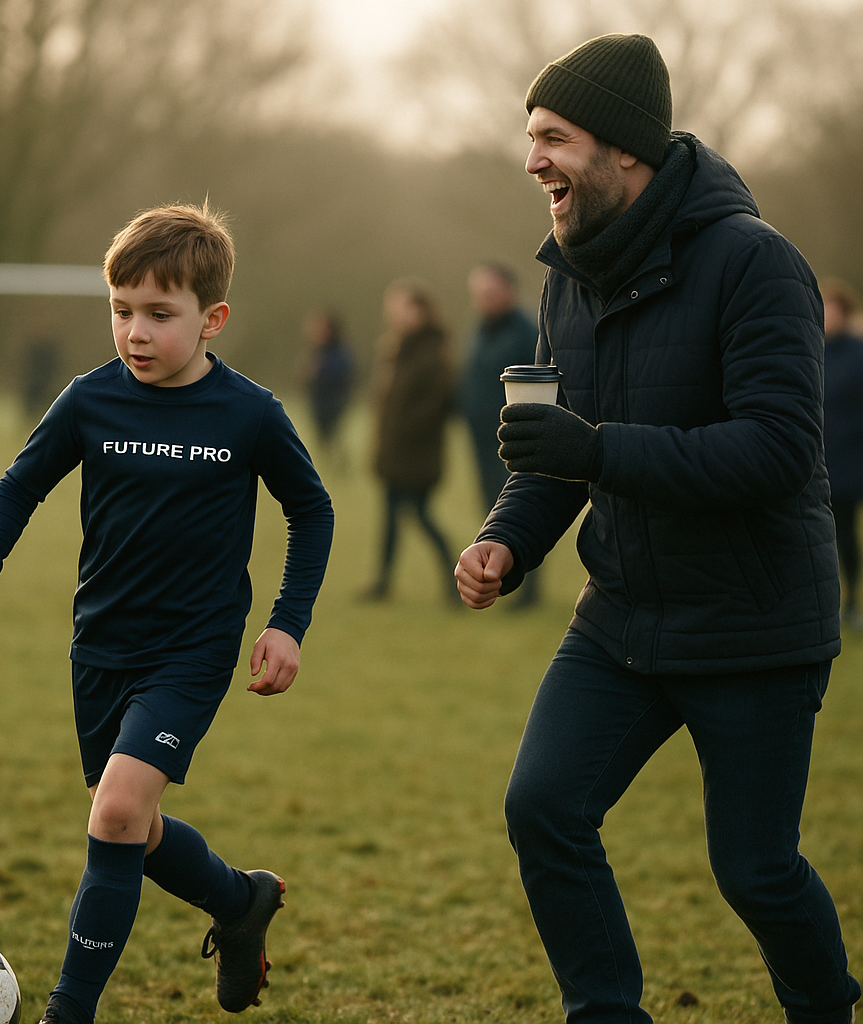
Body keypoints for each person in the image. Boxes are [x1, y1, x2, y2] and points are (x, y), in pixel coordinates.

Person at [454, 33, 860, 1024]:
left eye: (553, 136)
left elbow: (770, 453)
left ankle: (824, 1008)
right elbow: (554, 452)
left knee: (755, 871)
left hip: (753, 625)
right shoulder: (566, 277)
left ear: (624, 148)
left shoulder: (757, 264)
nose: (531, 159)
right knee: (544, 808)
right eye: (529, 136)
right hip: (622, 619)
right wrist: (506, 537)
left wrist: (590, 451)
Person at [0, 202, 334, 1024]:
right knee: (132, 824)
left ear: (211, 320)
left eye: (160, 314)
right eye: (122, 311)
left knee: (116, 811)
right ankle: (240, 902)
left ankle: (67, 1011)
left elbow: (312, 509)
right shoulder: (90, 400)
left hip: (191, 651)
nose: (136, 332)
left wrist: (286, 621)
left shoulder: (249, 413)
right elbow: (20, 484)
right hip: (100, 647)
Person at [362, 278, 457, 603]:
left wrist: (402, 437)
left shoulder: (433, 353)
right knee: (389, 521)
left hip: (417, 458)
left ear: (421, 311)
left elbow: (433, 408)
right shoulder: (396, 349)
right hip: (394, 455)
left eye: (401, 308)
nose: (394, 315)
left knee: (421, 516)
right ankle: (383, 583)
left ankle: (456, 577)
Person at [459, 262, 540, 605]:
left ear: (510, 291)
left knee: (521, 509)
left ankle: (527, 591)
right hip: (480, 438)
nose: (484, 300)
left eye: (490, 293)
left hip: (514, 440)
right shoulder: (480, 330)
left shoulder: (527, 333)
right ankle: (499, 579)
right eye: (479, 294)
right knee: (491, 508)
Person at [820, 278, 863, 632]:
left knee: (846, 533)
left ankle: (850, 602)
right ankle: (827, 601)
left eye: (832, 310)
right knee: (824, 534)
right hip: (821, 459)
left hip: (852, 458)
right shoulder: (812, 349)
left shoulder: (858, 353)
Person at [299, 310, 356, 470]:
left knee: (334, 437)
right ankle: (329, 466)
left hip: (334, 402)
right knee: (323, 438)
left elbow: (344, 376)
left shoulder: (339, 353)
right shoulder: (317, 352)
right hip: (318, 402)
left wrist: (318, 374)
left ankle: (340, 467)